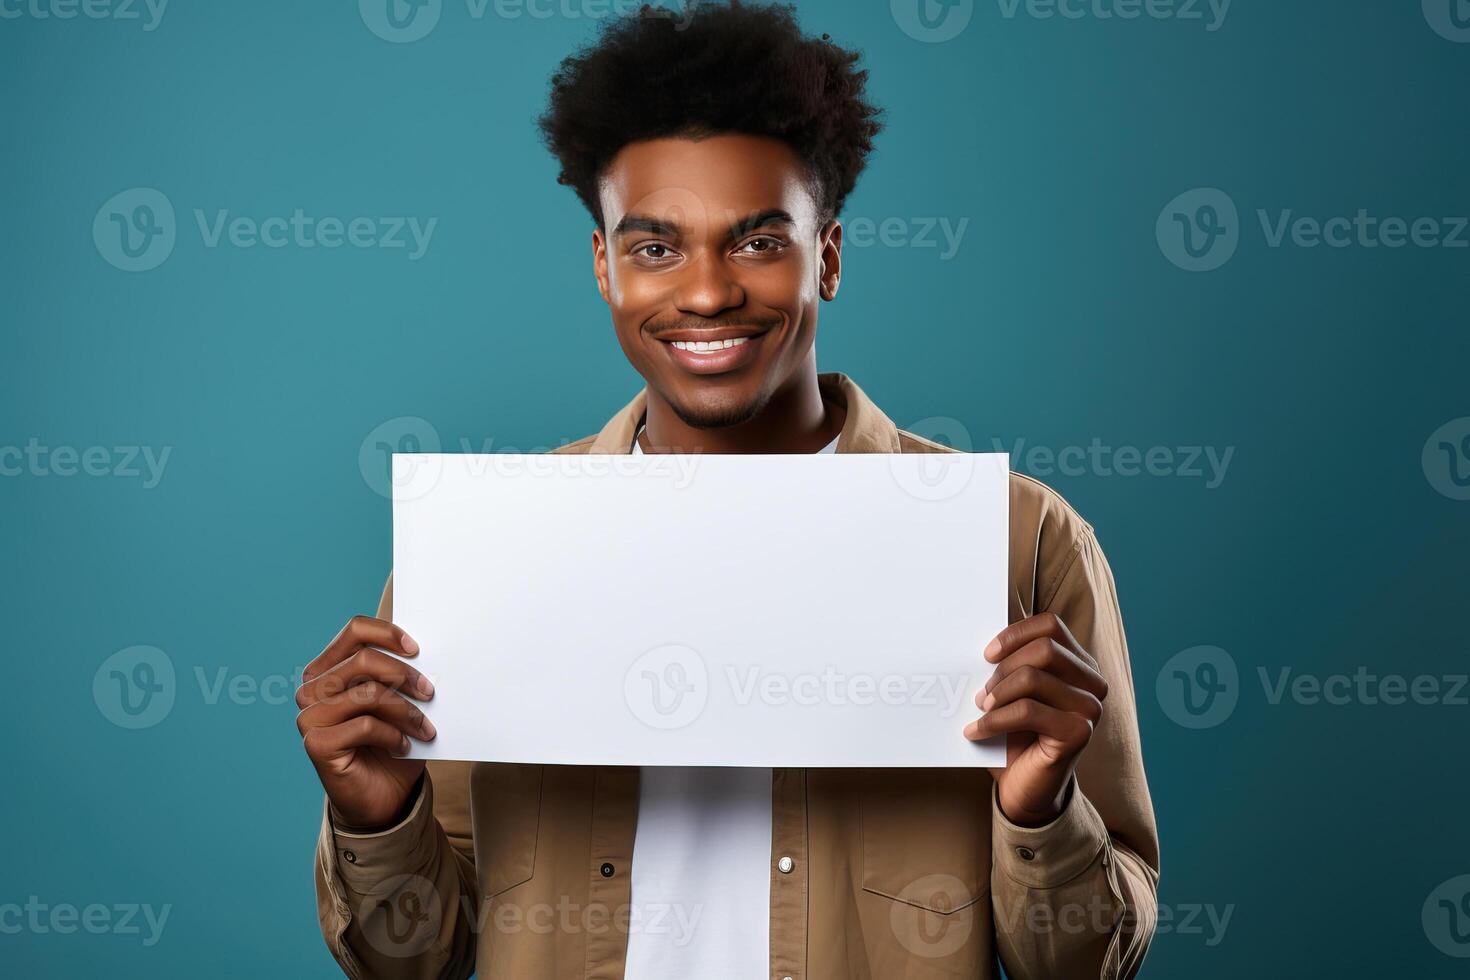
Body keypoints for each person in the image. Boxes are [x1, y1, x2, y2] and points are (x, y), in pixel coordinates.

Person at [297, 3, 1159, 977]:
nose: (705, 293)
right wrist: (376, 810)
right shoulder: (485, 545)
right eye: (656, 247)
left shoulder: (1024, 539)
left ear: (826, 256)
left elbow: (1088, 959)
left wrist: (1039, 803)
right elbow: (409, 958)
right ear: (605, 267)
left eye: (756, 241)